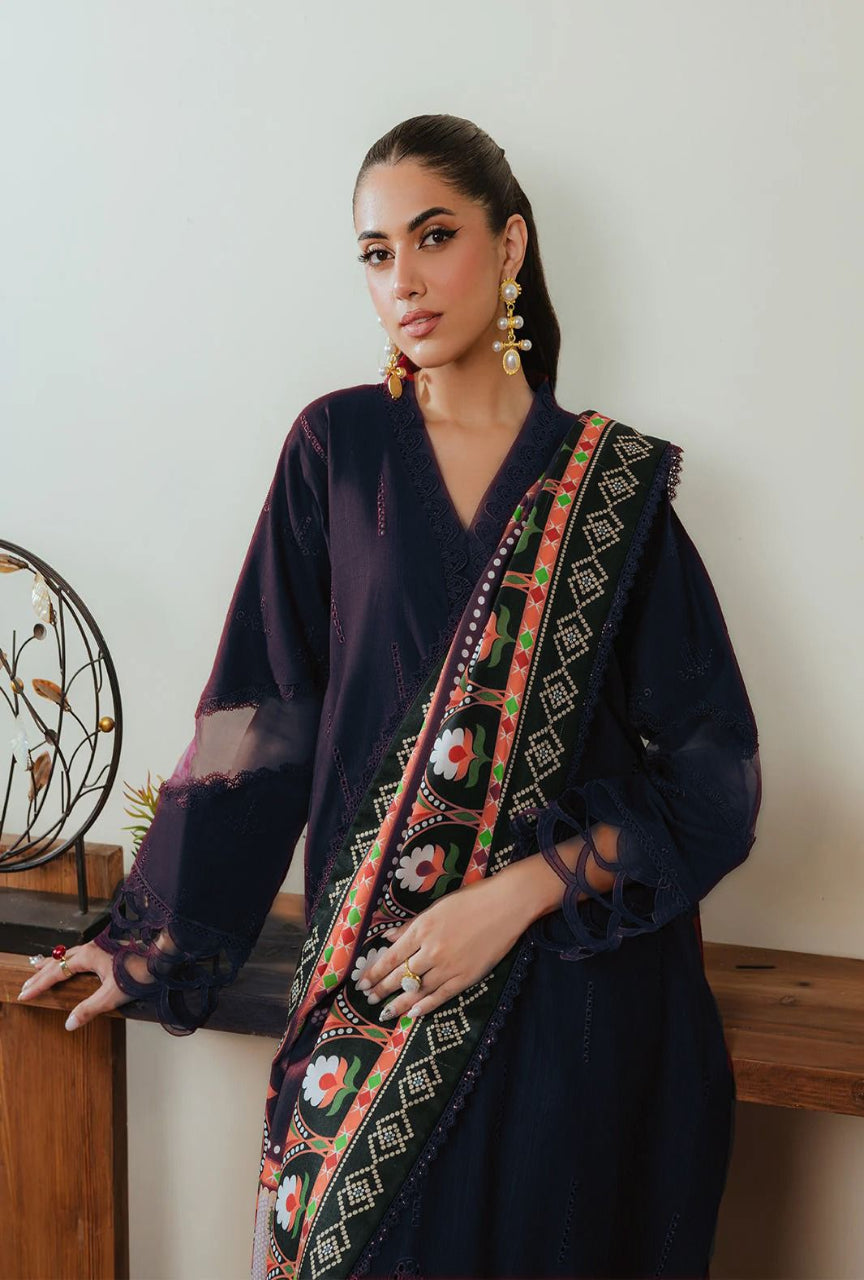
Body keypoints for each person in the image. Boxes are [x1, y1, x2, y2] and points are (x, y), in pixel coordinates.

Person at [17, 114, 762, 1280]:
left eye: (434, 237)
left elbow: (715, 772)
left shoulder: (607, 493)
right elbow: (257, 712)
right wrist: (150, 936)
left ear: (509, 245)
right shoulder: (338, 447)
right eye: (375, 252)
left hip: (565, 1001)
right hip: (375, 992)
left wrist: (518, 893)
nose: (404, 280)